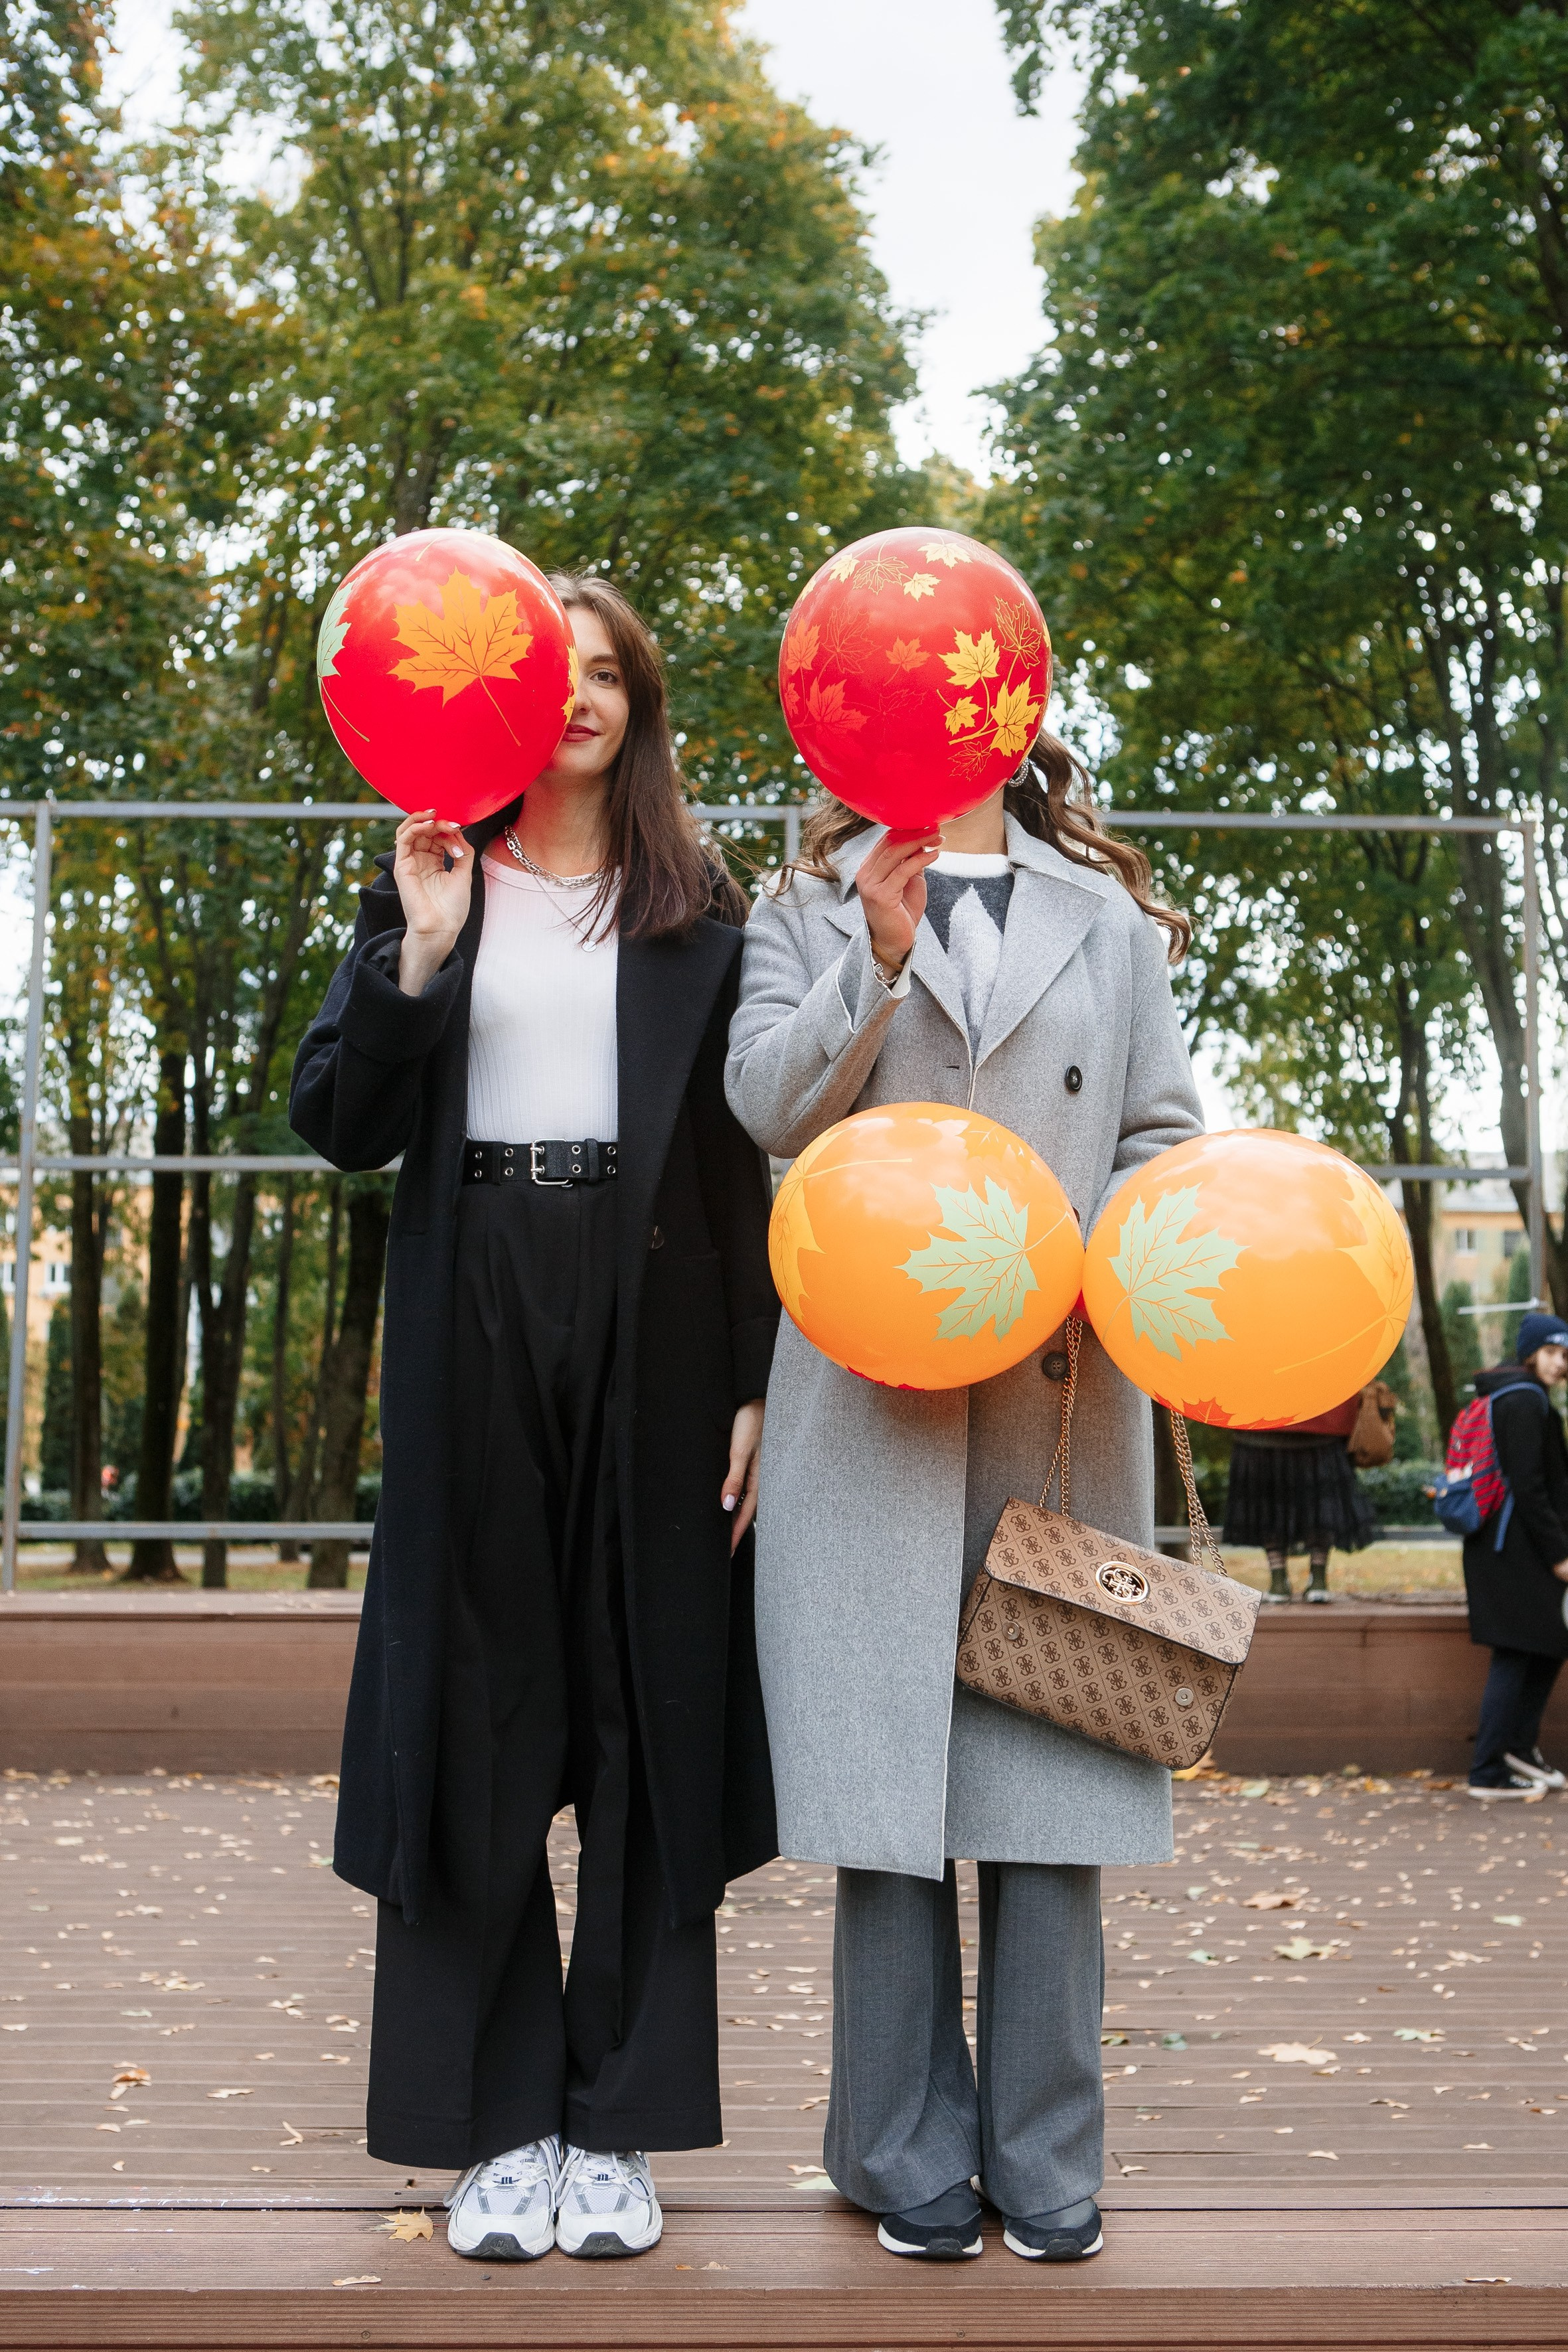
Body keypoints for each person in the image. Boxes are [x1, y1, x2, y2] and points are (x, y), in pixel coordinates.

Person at [289, 573, 779, 2262]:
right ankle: (498, 2126)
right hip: (474, 1289)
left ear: (639, 704)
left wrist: (756, 1378)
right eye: (545, 671)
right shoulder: (430, 872)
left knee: (647, 1697)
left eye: (606, 672)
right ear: (493, 697)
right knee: (480, 1706)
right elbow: (341, 1120)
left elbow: (744, 1166)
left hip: (661, 1311)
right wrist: (420, 950)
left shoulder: (699, 904)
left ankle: (619, 2128)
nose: (575, 695)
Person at [724, 738, 1203, 2264]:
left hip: (1061, 1393)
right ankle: (896, 2150)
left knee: (1053, 1788)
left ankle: (1050, 2155)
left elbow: (1162, 1134)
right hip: (867, 1403)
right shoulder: (803, 901)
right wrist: (870, 950)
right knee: (885, 1797)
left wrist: (1083, 1243)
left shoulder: (1107, 920)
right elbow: (761, 1106)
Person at [1463, 1312, 1568, 1799]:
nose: (1559, 1362)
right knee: (1517, 1649)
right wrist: (1559, 1554)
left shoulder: (1507, 1393)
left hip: (1502, 1545)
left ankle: (1518, 1750)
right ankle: (1487, 1770)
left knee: (1544, 1643)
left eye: (1565, 1355)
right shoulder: (1525, 1400)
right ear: (1530, 1353)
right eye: (1550, 1352)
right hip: (1516, 1548)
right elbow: (1530, 1487)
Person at [1222, 1391, 1377, 1603]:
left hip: (1260, 1413)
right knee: (1321, 1506)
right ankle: (1318, 1578)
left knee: (1268, 1506)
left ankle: (1280, 1581)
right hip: (1324, 1414)